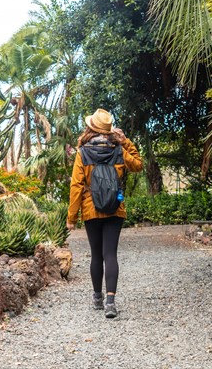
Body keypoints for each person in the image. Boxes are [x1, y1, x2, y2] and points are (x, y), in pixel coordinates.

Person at [66, 108, 143, 318]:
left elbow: (76, 187)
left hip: (91, 210)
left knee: (96, 255)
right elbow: (138, 165)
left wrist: (71, 218)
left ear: (90, 128)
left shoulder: (83, 153)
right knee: (110, 254)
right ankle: (110, 302)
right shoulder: (118, 150)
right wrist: (125, 141)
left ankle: (97, 298)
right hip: (115, 208)